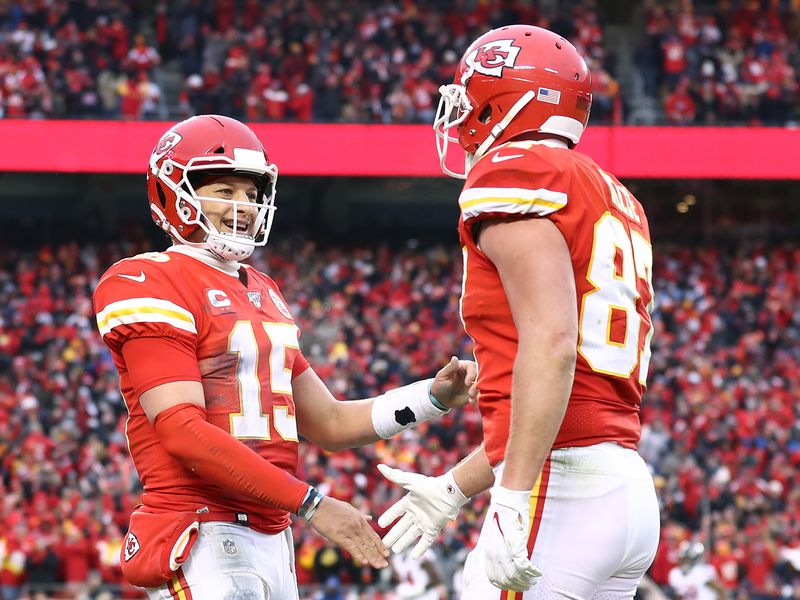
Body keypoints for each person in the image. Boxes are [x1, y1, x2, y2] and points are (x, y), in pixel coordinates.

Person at [92, 114, 476, 599]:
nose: (244, 207)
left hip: (273, 538)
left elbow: (331, 423)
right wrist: (313, 504)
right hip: (201, 530)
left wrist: (432, 397)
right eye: (225, 191)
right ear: (173, 191)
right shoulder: (147, 279)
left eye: (251, 195)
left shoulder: (264, 290)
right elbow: (181, 431)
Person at [378, 25, 660, 598]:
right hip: (621, 487)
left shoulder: (516, 170)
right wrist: (456, 488)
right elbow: (561, 403)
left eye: (469, 98)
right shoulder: (613, 192)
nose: (459, 117)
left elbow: (554, 344)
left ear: (502, 100)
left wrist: (510, 495)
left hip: (560, 494)